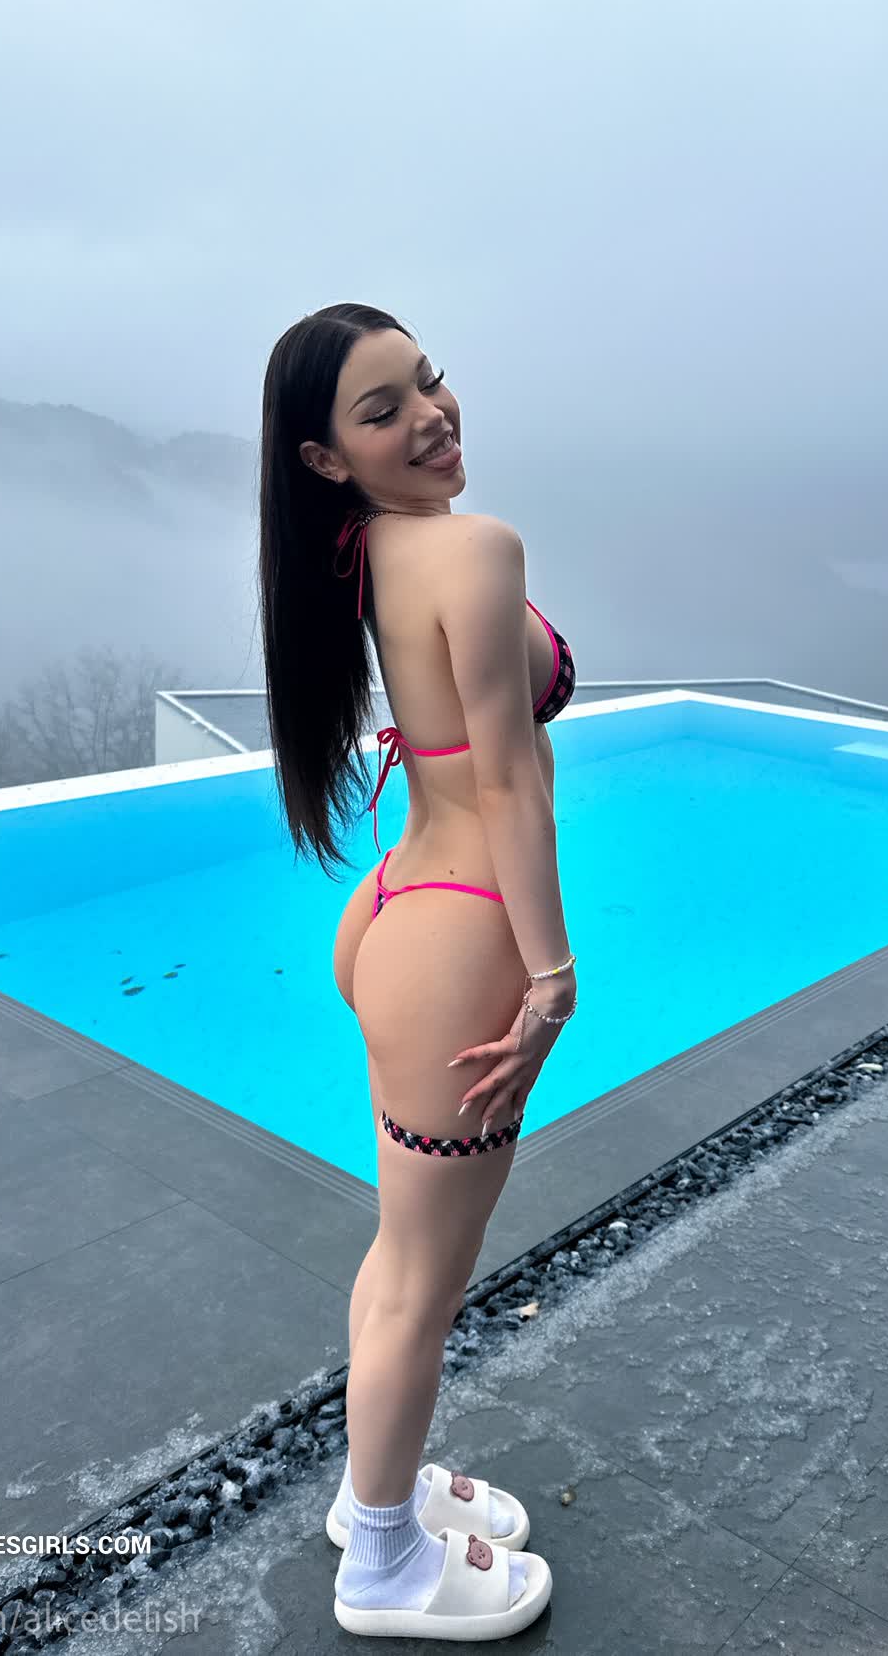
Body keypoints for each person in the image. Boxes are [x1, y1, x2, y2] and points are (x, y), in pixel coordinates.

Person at [257, 303, 578, 1639]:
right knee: (422, 1283)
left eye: (429, 383)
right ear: (325, 457)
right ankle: (383, 1566)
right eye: (382, 411)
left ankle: (368, 1499)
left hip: (398, 905)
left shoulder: (367, 547)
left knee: (402, 1259)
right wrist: (550, 976)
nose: (431, 417)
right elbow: (506, 780)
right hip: (459, 932)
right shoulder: (473, 547)